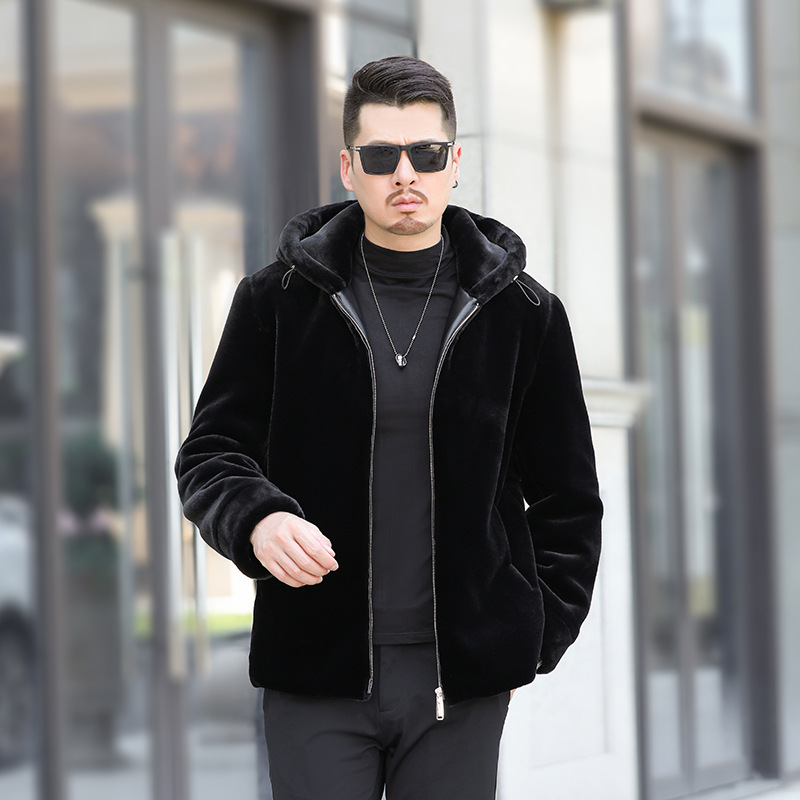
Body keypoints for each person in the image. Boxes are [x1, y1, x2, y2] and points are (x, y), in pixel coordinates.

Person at [175, 55, 602, 800]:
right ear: (349, 168)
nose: (405, 174)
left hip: (458, 683)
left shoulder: (524, 315)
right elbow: (210, 455)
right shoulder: (277, 301)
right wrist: (258, 519)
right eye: (381, 157)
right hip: (315, 669)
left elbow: (569, 499)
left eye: (427, 155)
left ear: (454, 164)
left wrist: (533, 633)